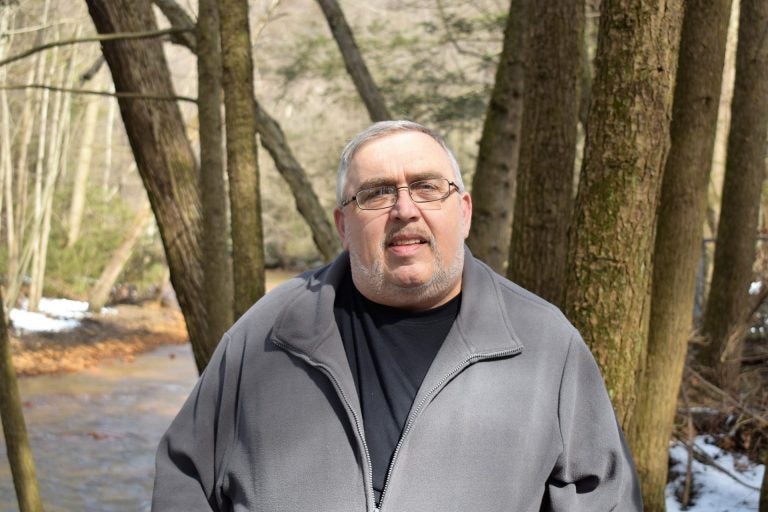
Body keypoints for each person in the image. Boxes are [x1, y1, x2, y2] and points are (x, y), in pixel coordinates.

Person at [152, 120, 642, 511]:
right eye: (378, 192)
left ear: (465, 212)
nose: (404, 209)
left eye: (427, 187)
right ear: (344, 225)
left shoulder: (543, 343)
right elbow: (186, 479)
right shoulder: (268, 335)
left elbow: (604, 497)